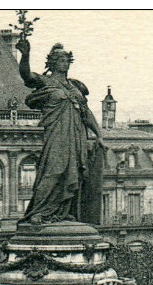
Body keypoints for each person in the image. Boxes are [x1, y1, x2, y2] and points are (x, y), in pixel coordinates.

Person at [15, 38, 105, 224]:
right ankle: (38, 212)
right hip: (56, 135)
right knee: (53, 171)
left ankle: (62, 212)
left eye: (67, 60)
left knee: (73, 174)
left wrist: (99, 134)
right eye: (61, 60)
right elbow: (27, 76)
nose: (65, 63)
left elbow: (86, 113)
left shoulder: (74, 87)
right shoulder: (46, 82)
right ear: (53, 62)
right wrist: (25, 55)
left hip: (76, 136)